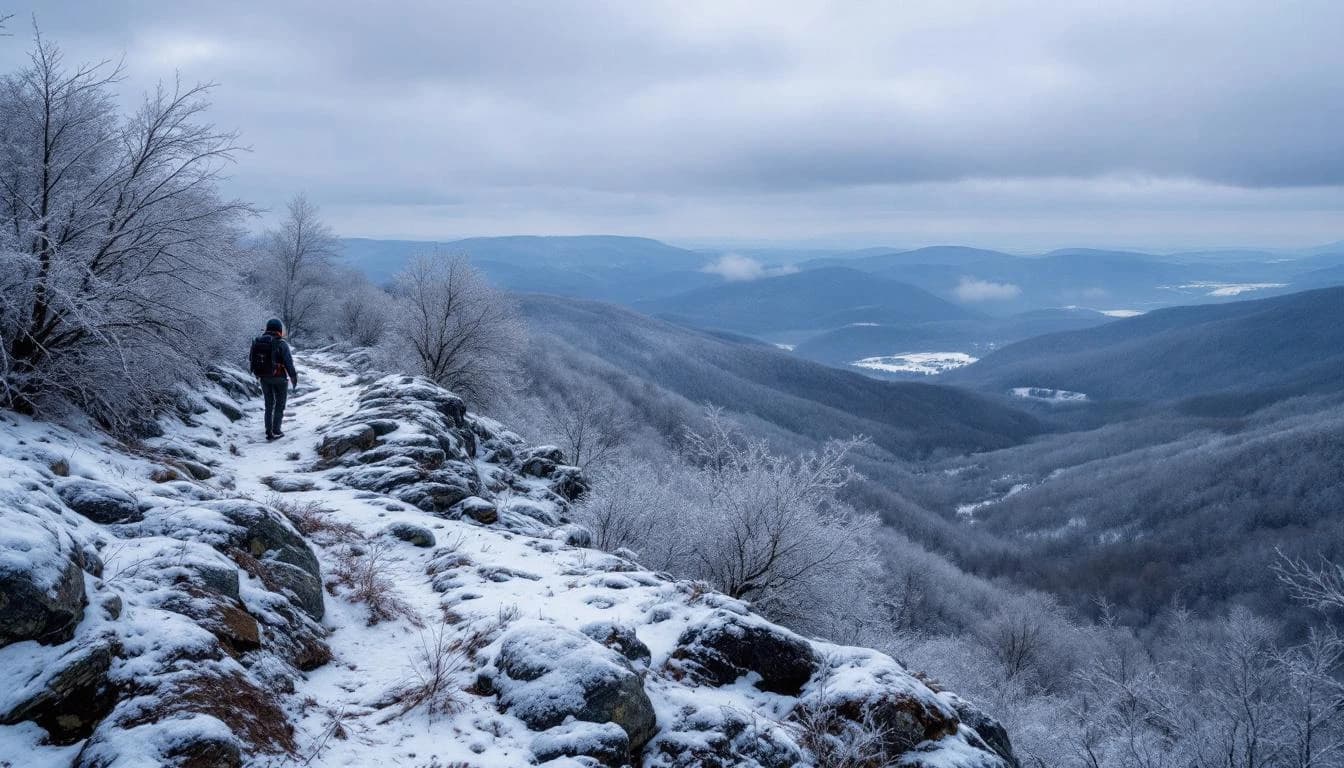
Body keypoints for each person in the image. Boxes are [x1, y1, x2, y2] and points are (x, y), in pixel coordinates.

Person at [249, 318, 299, 440]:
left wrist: (256, 374)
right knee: (280, 405)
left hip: (264, 377)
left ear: (267, 328)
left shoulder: (258, 341)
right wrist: (293, 377)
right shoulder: (281, 343)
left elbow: (251, 359)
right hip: (279, 378)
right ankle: (276, 430)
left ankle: (268, 430)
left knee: (269, 404)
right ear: (279, 330)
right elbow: (288, 362)